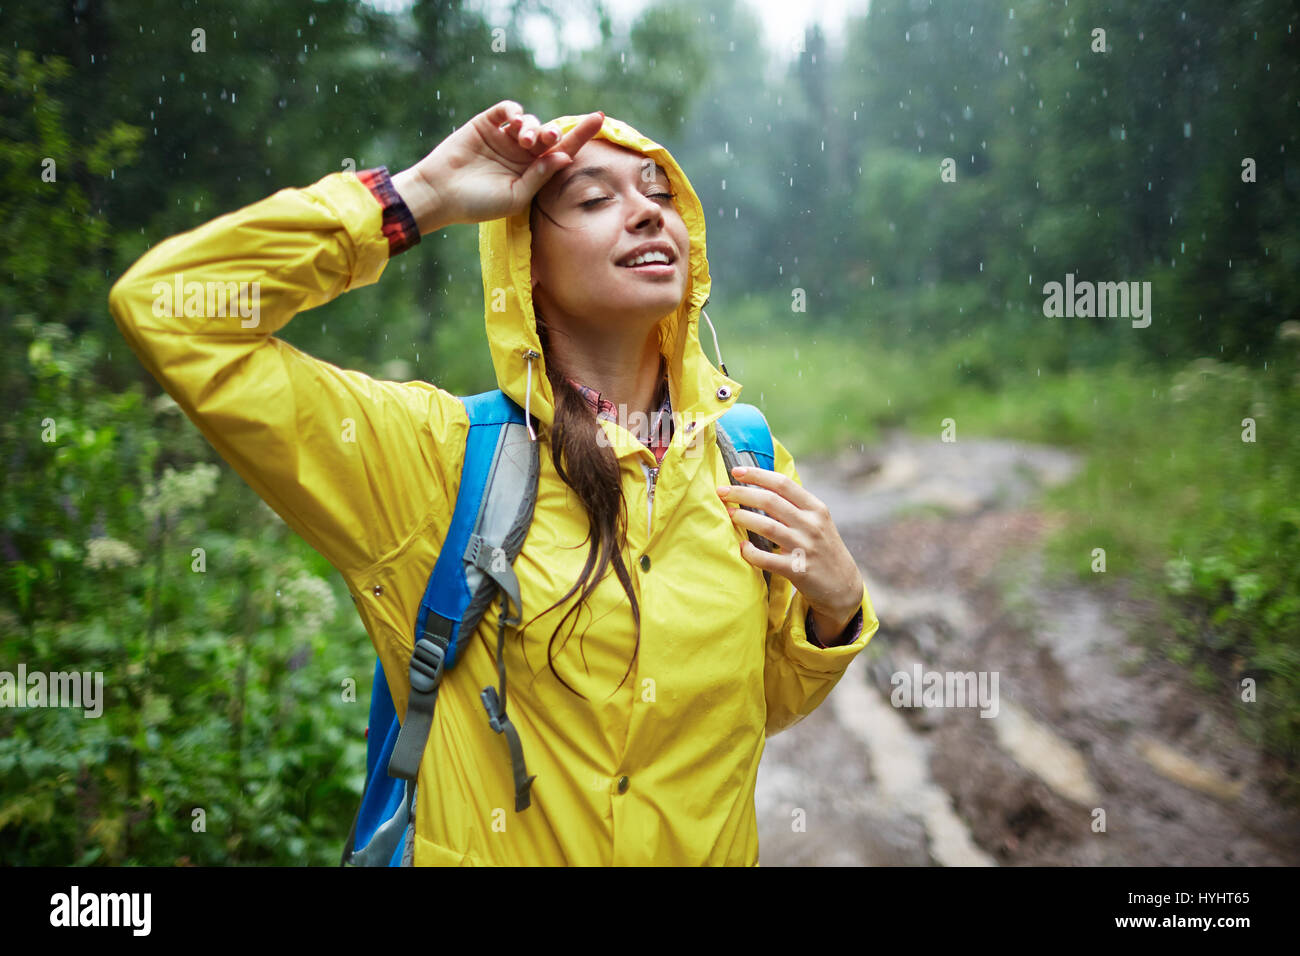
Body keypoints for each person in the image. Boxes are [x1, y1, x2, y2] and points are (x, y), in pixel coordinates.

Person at [109, 100, 880, 866]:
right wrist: (418, 196)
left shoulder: (744, 453)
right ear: (527, 265)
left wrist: (836, 611)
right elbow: (171, 311)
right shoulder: (433, 462)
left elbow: (750, 709)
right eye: (595, 198)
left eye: (658, 191)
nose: (647, 213)